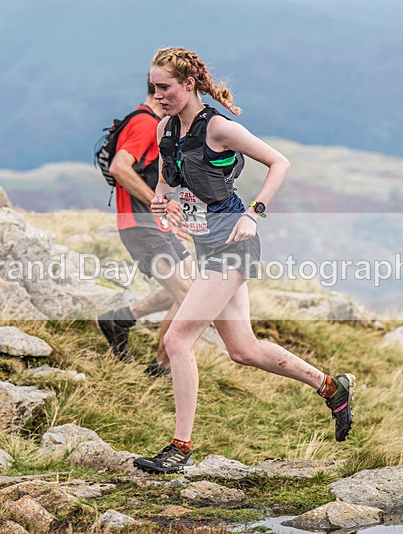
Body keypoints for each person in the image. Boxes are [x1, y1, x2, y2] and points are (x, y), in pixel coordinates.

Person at [132, 47, 356, 474]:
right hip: (206, 246)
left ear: (188, 85)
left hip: (234, 245)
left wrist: (254, 213)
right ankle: (331, 387)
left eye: (165, 88)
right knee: (244, 350)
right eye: (152, 88)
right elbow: (165, 182)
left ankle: (180, 448)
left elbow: (279, 162)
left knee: (177, 340)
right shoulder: (165, 129)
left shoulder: (218, 127)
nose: (157, 95)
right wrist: (163, 202)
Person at [97, 78, 193, 377]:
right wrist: (157, 202)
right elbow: (119, 167)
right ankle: (161, 367)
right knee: (188, 294)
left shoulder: (149, 121)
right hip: (140, 226)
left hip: (153, 225)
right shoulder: (144, 124)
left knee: (189, 286)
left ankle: (119, 319)